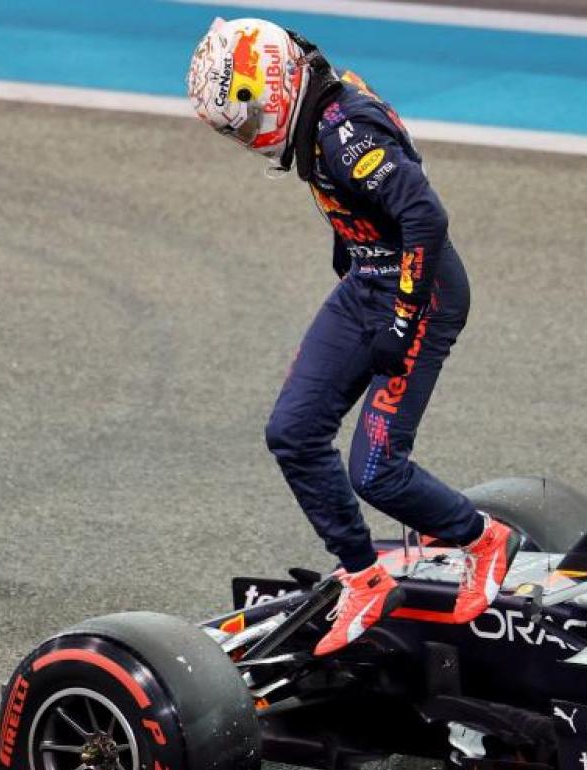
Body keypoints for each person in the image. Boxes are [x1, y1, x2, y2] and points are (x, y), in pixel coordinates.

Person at [187, 18, 520, 656]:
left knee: (377, 471)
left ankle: (483, 540)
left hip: (418, 297)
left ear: (275, 88)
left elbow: (425, 215)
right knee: (293, 432)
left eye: (244, 122)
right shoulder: (315, 109)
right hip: (369, 282)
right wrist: (351, 254)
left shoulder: (344, 134)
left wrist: (401, 319)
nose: (247, 138)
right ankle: (364, 576)